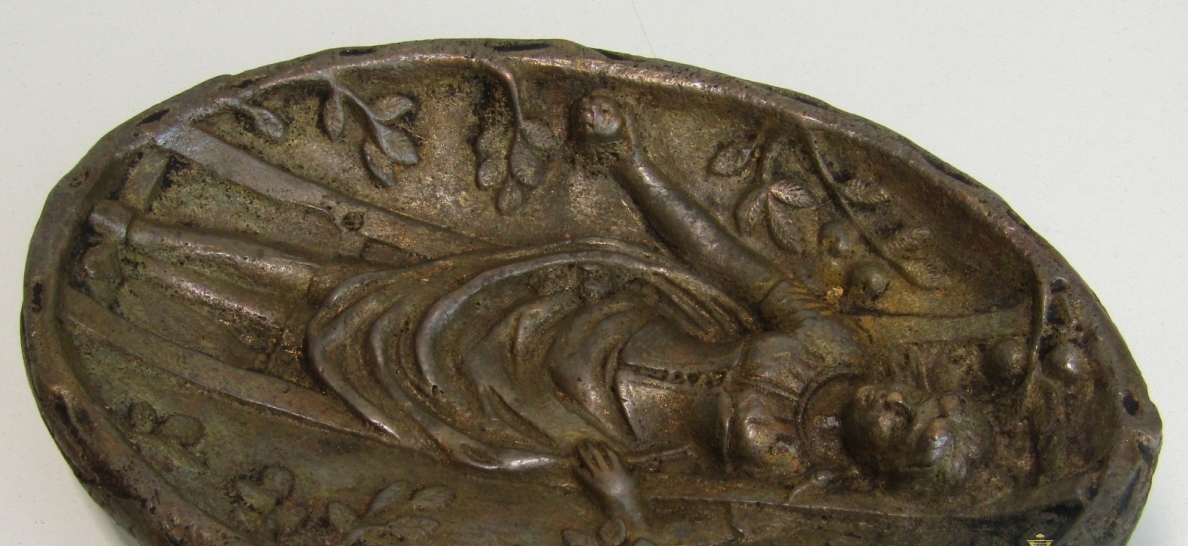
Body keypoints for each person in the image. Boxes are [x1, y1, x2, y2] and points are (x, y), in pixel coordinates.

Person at [307, 95, 993, 522]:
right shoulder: (831, 343)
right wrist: (631, 163)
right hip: (593, 319)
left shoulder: (799, 478)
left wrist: (623, 503)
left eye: (901, 428)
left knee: (396, 376)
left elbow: (691, 524)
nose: (893, 403)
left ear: (884, 469)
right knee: (397, 303)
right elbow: (724, 258)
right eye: (915, 400)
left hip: (568, 419)